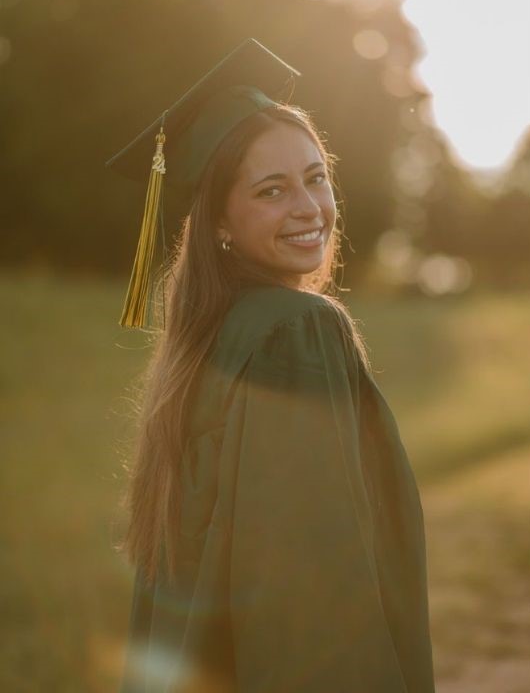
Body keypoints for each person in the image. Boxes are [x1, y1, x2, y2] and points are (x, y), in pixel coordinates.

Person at [108, 39, 436, 692]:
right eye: (271, 190)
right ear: (220, 222)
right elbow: (310, 587)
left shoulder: (205, 338)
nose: (309, 208)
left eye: (316, 178)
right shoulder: (296, 332)